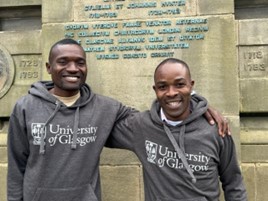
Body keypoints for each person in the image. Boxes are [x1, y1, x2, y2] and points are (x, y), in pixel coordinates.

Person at [7, 39, 229, 201]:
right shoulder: (25, 107)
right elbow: (16, 166)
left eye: (80, 62)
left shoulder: (105, 108)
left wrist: (198, 104)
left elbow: (162, 114)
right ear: (49, 68)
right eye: (63, 62)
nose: (72, 68)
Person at [107, 58, 247, 201]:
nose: (171, 93)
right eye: (162, 87)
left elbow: (233, 182)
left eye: (179, 84)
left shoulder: (216, 129)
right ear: (155, 90)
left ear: (191, 86)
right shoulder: (141, 126)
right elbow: (99, 125)